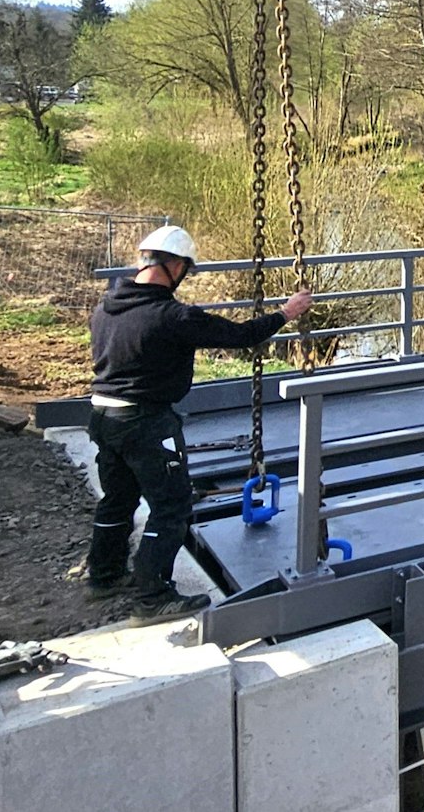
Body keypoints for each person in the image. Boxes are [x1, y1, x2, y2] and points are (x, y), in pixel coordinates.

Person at [85, 225, 312, 619]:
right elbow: (241, 335)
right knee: (172, 506)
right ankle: (152, 596)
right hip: (145, 422)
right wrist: (286, 313)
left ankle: (103, 576)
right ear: (175, 267)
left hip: (103, 415)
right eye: (185, 269)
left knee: (117, 499)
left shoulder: (105, 308)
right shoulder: (174, 317)